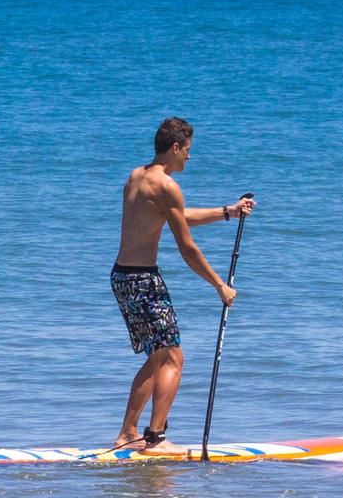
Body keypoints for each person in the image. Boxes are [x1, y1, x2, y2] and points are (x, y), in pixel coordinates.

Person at [109, 117, 255, 455]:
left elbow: (176, 215)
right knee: (173, 357)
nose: (190, 157)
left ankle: (127, 434)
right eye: (188, 150)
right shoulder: (166, 186)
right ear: (175, 147)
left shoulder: (137, 176)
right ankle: (155, 439)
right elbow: (186, 246)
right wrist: (220, 285)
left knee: (158, 358)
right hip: (144, 281)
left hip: (122, 277)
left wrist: (229, 212)